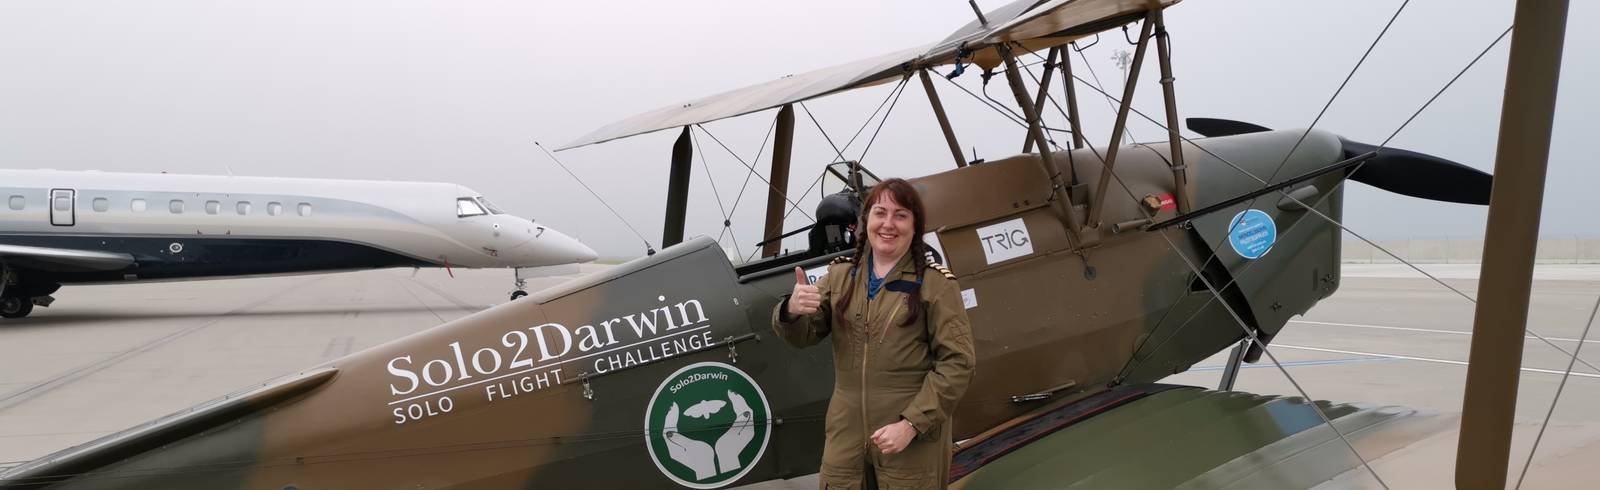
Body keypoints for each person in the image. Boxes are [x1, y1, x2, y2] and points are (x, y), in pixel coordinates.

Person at [773, 178, 976, 489]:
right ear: (865, 221)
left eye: (901, 215)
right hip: (846, 437)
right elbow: (804, 336)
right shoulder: (840, 276)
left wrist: (911, 424)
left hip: (910, 442)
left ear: (915, 226)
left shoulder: (937, 285)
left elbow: (958, 364)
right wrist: (791, 310)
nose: (888, 224)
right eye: (880, 213)